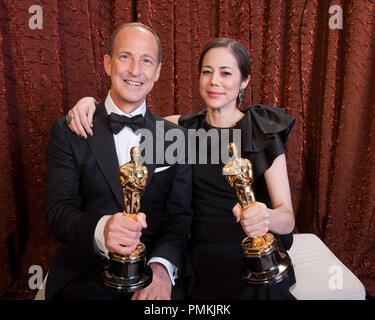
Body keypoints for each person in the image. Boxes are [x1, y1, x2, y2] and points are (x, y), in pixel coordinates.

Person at [67, 37, 297, 299]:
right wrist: (88, 106)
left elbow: (287, 218)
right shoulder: (181, 130)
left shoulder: (262, 130)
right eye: (207, 72)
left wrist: (265, 216)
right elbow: (129, 117)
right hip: (201, 252)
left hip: (252, 252)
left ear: (244, 81)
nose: (214, 82)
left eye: (226, 73)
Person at [45, 22, 192, 300]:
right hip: (85, 275)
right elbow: (57, 213)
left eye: (146, 60)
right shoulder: (70, 130)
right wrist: (102, 230)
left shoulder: (175, 137)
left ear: (158, 71)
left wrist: (162, 269)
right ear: (108, 64)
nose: (135, 70)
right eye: (125, 57)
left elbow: (179, 217)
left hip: (152, 275)